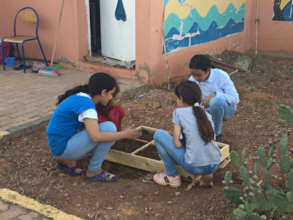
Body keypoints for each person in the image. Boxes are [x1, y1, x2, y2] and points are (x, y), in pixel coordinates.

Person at [46, 72, 140, 182]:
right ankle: (94, 170)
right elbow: (96, 137)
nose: (111, 98)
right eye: (110, 94)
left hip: (56, 144)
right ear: (103, 92)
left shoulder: (80, 96)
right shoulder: (88, 106)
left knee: (105, 129)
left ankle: (65, 162)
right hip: (62, 148)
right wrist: (124, 134)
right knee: (109, 128)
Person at [153, 81, 222, 188]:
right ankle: (207, 175)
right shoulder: (205, 114)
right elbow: (209, 139)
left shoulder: (178, 113)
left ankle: (172, 175)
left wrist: (184, 145)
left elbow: (176, 144)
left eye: (177, 98)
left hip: (194, 167)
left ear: (181, 98)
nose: (176, 100)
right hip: (215, 163)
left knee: (158, 135)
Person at [188, 54, 239, 142]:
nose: (195, 78)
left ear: (208, 70)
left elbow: (235, 99)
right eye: (193, 75)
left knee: (215, 101)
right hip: (206, 111)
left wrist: (215, 94)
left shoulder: (221, 76)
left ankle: (216, 134)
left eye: (198, 75)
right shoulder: (192, 80)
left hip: (226, 109)